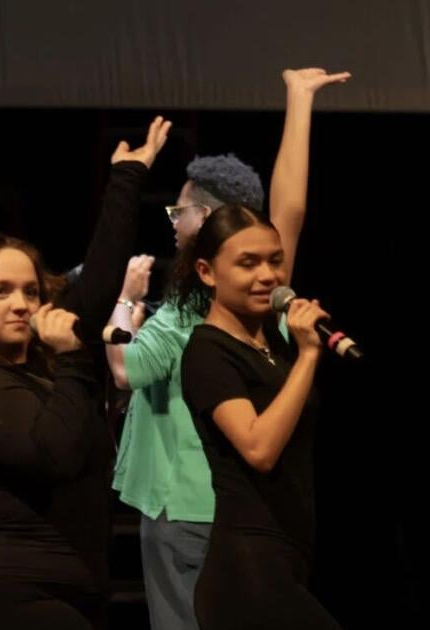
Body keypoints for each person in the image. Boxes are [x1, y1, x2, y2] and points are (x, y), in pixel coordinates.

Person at [0, 117, 171, 629]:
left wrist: (126, 178)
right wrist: (72, 360)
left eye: (29, 291)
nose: (22, 304)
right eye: (0, 291)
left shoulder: (34, 369)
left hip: (65, 587)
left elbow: (92, 293)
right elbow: (55, 453)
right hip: (9, 596)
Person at [105, 68, 349, 630]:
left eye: (179, 211)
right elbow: (290, 211)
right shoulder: (242, 311)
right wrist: (298, 101)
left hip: (200, 514)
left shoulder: (203, 307)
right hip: (247, 522)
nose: (173, 221)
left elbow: (123, 368)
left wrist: (121, 306)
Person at [175, 204, 338, 629]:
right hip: (246, 570)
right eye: (248, 263)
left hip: (287, 558)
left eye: (275, 260)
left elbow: (293, 208)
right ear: (207, 272)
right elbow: (258, 447)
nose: (268, 275)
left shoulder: (272, 346)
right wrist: (308, 357)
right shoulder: (207, 352)